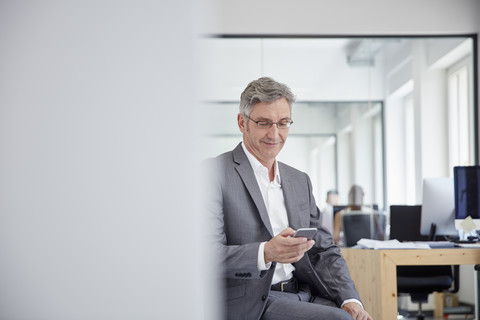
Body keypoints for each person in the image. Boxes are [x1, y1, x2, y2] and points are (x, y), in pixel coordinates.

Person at [205, 77, 373, 320]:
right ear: (243, 123)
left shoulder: (298, 180)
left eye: (283, 123)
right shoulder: (213, 174)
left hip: (303, 292)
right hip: (253, 302)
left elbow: (324, 250)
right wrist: (266, 252)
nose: (275, 133)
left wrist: (350, 299)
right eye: (264, 123)